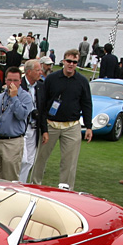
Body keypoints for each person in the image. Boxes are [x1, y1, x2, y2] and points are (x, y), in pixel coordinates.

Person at [31, 49, 93, 190]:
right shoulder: (52, 79)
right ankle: (34, 186)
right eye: (69, 61)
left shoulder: (82, 81)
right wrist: (44, 129)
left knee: (69, 162)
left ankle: (66, 189)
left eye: (74, 62)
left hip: (72, 126)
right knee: (40, 158)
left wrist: (88, 126)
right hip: (51, 125)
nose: (71, 64)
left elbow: (87, 104)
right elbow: (43, 104)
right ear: (63, 61)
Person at [0, 67, 33, 181]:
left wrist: (14, 97)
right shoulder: (0, 97)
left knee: (10, 177)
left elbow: (22, 115)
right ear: (5, 80)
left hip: (13, 141)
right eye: (9, 80)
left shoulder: (25, 97)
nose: (12, 83)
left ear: (20, 81)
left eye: (15, 80)